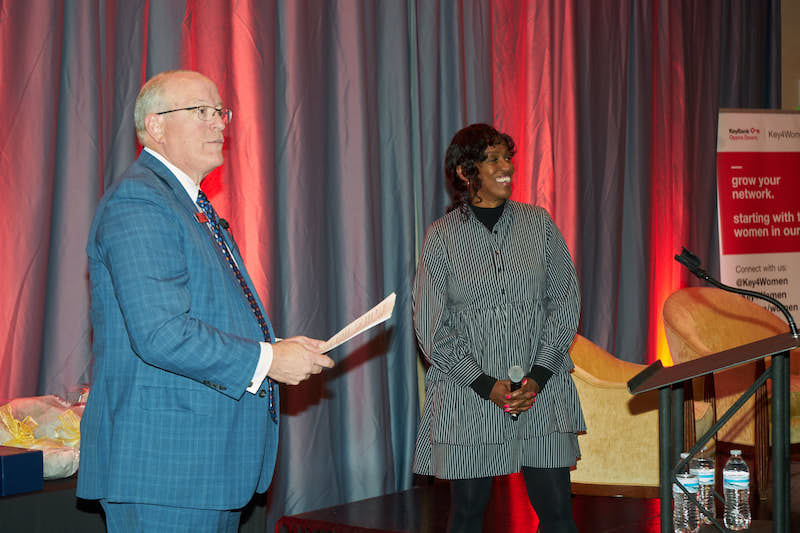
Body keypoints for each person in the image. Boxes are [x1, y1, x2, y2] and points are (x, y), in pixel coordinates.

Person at [76, 70, 335, 532]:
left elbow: (216, 316)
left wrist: (280, 349)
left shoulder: (188, 204)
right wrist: (270, 360)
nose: (219, 124)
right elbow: (161, 334)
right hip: (166, 472)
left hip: (202, 469)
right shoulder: (140, 201)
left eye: (220, 112)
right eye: (202, 112)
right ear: (155, 126)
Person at [412, 124, 585, 533]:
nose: (506, 167)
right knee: (468, 515)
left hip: (539, 394)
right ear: (465, 172)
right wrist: (484, 383)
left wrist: (538, 376)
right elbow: (432, 327)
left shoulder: (539, 225)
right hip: (470, 397)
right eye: (494, 159)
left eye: (508, 158)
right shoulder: (441, 238)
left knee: (559, 515)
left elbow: (564, 303)